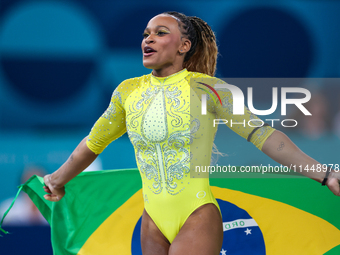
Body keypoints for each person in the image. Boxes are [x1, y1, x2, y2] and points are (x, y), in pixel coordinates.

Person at [43, 11, 340, 255]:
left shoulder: (208, 90)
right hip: (151, 221)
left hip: (197, 214)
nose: (149, 38)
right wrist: (57, 179)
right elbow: (93, 144)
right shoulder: (127, 92)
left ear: (184, 46)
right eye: (146, 33)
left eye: (160, 32)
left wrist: (324, 174)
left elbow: (264, 136)